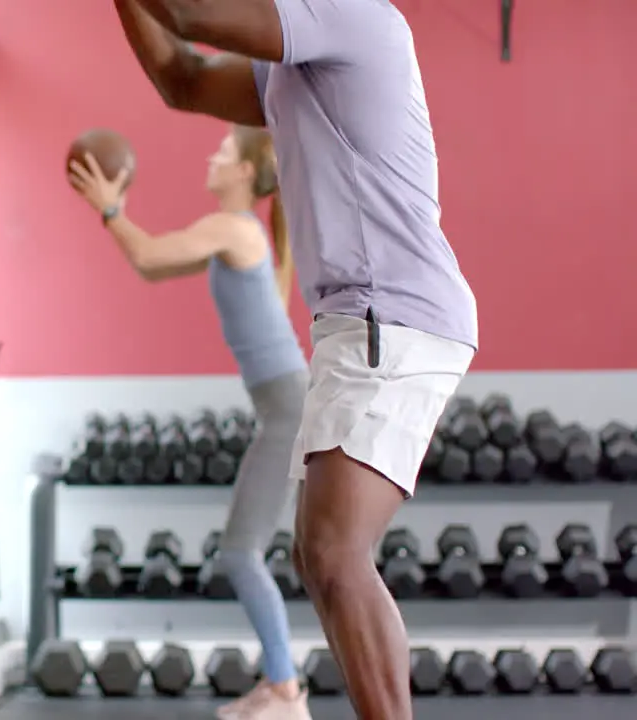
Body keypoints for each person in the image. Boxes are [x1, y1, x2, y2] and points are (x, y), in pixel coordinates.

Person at [110, 1, 480, 719]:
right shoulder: (292, 57)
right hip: (362, 320)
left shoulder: (348, 16)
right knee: (324, 556)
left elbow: (187, 15)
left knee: (334, 551)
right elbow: (181, 79)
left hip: (391, 312)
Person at [68, 125, 311, 720]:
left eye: (224, 152)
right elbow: (152, 269)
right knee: (247, 553)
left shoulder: (232, 227)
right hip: (284, 410)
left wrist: (110, 209)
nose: (213, 156)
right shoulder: (238, 233)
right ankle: (281, 686)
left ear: (247, 173)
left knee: (240, 554)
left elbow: (149, 252)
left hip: (288, 412)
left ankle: (286, 693)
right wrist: (114, 217)